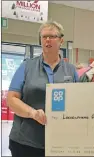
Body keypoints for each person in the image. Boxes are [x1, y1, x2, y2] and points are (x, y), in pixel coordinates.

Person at [6, 20, 78, 157]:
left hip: (61, 142)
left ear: (61, 41)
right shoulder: (26, 66)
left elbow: (78, 101)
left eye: (52, 36)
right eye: (44, 37)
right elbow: (11, 99)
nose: (47, 40)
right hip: (26, 142)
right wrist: (32, 113)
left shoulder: (71, 70)